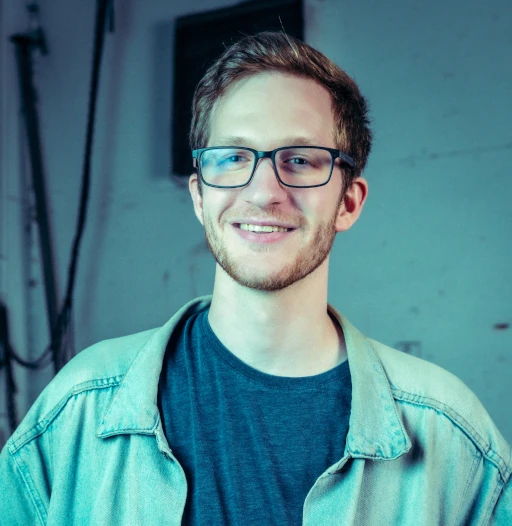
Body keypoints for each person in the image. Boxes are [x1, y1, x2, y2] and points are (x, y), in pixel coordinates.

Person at [0, 31, 510, 525]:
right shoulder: (78, 409)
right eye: (232, 157)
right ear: (200, 196)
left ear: (348, 202)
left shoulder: (451, 438)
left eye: (301, 159)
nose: (264, 192)